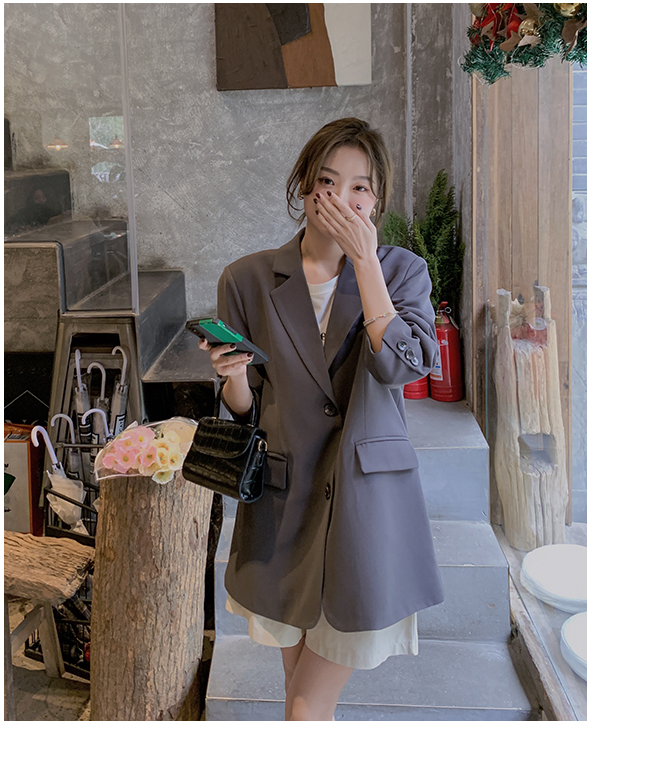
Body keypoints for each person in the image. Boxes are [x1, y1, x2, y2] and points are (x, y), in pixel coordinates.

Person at [199, 117, 444, 721]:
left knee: (305, 706)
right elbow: (247, 408)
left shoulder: (402, 271)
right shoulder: (248, 279)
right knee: (301, 697)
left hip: (366, 506)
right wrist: (231, 376)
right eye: (329, 181)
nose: (342, 198)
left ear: (377, 201)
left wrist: (365, 262)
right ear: (305, 186)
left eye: (361, 187)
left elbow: (404, 366)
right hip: (286, 506)